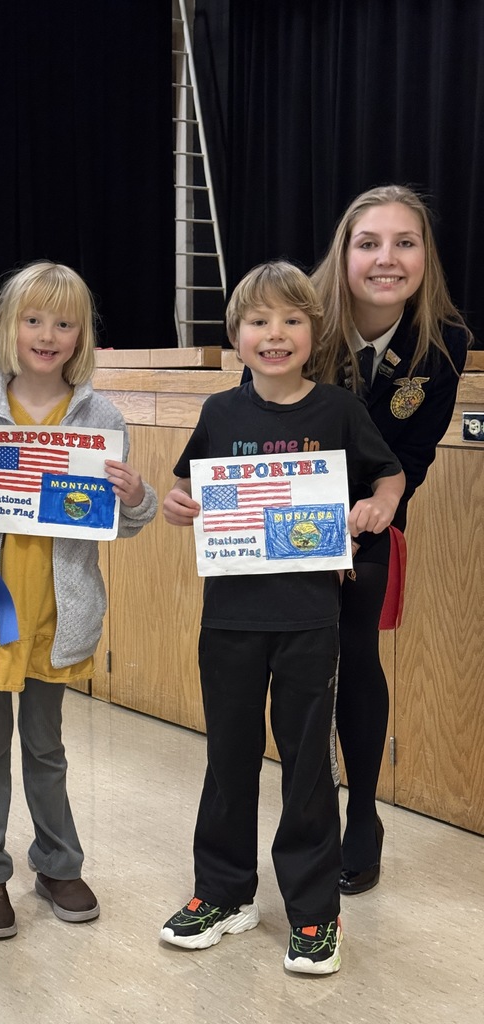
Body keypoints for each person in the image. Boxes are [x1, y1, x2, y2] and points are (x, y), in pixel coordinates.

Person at [159, 261, 404, 974]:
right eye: (258, 321)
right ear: (235, 335)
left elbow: (389, 473)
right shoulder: (219, 412)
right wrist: (178, 506)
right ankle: (224, 893)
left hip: (309, 618)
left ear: (313, 332)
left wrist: (379, 504)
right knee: (227, 760)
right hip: (229, 618)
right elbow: (185, 487)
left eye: (292, 320)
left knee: (306, 770)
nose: (275, 333)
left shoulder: (338, 410)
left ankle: (314, 911)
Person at [0, 260, 157, 940]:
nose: (47, 335)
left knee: (47, 749)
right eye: (33, 320)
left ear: (82, 335)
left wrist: (136, 496)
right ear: (8, 327)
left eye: (64, 323)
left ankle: (57, 864)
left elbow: (123, 524)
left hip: (56, 617)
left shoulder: (100, 415)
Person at [310, 185, 472, 895]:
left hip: (375, 516)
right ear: (343, 254)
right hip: (290, 514)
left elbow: (413, 452)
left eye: (405, 243)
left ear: (425, 256)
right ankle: (307, 807)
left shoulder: (445, 343)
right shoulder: (300, 320)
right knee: (289, 656)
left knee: (356, 646)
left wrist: (379, 505)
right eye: (369, 243)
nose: (387, 258)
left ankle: (363, 814)